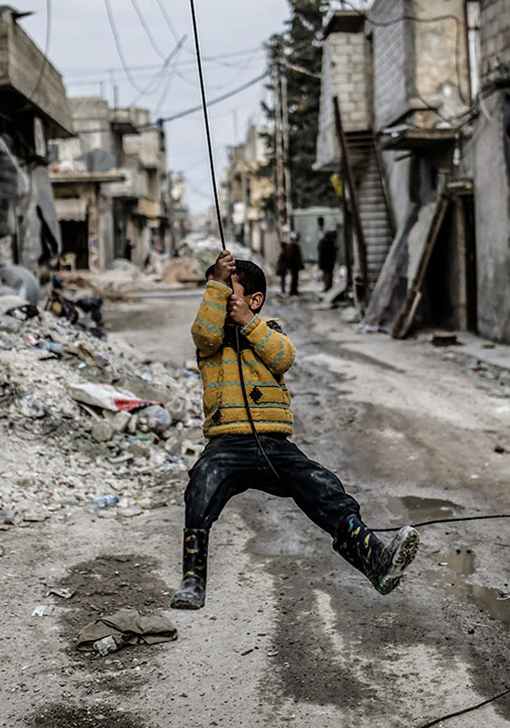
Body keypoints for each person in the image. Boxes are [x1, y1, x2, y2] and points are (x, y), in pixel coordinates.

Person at [170, 250, 420, 610]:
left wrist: (249, 323)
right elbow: (204, 334)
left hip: (272, 443)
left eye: (230, 290)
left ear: (254, 300)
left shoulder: (267, 331)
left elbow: (282, 356)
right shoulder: (209, 340)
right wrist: (217, 284)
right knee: (201, 485)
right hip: (226, 442)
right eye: (215, 289)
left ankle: (375, 559)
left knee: (322, 484)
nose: (220, 296)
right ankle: (192, 580)